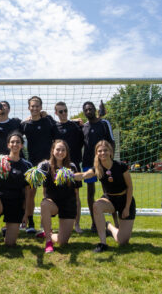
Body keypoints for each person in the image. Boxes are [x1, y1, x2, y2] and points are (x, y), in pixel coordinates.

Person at [75, 140, 136, 253]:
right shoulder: (98, 168)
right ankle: (103, 243)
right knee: (96, 205)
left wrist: (127, 207)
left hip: (125, 200)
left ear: (110, 152)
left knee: (122, 241)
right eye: (100, 151)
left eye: (105, 150)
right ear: (97, 153)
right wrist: (68, 175)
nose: (103, 153)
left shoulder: (121, 166)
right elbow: (83, 175)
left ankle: (109, 226)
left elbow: (130, 187)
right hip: (110, 200)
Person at [0, 132, 32, 256]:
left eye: (18, 142)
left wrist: (26, 213)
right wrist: (1, 163)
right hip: (0, 199)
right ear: (8, 145)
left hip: (15, 203)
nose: (15, 144)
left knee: (10, 244)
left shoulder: (27, 166)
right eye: (12, 142)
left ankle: (7, 230)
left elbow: (28, 192)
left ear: (22, 145)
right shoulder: (1, 160)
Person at [20, 96, 56, 233]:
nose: (34, 108)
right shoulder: (25, 124)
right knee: (30, 193)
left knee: (47, 193)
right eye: (32, 106)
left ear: (41, 107)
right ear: (29, 108)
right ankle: (30, 222)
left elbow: (59, 125)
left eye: (37, 106)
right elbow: (15, 137)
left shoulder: (47, 120)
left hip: (48, 163)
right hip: (33, 164)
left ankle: (45, 223)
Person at [37, 140, 81, 253]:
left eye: (63, 150)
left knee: (62, 242)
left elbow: (76, 194)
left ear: (67, 152)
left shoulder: (72, 166)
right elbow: (43, 189)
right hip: (53, 204)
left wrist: (77, 221)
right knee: (45, 203)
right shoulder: (45, 166)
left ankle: (49, 234)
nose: (60, 152)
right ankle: (48, 241)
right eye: (57, 149)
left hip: (68, 205)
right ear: (52, 151)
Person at [81, 101, 117, 232]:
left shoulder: (104, 123)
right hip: (88, 164)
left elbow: (112, 142)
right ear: (84, 112)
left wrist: (110, 160)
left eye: (90, 109)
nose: (88, 111)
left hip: (104, 163)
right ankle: (94, 223)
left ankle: (115, 222)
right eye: (86, 110)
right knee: (90, 193)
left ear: (95, 109)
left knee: (109, 191)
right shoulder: (83, 127)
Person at [53, 101, 84, 233]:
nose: (64, 113)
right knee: (53, 194)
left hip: (73, 165)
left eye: (65, 110)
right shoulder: (53, 127)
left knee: (76, 195)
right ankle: (48, 225)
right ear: (56, 113)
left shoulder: (75, 125)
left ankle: (77, 224)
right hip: (58, 166)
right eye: (61, 111)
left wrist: (77, 121)